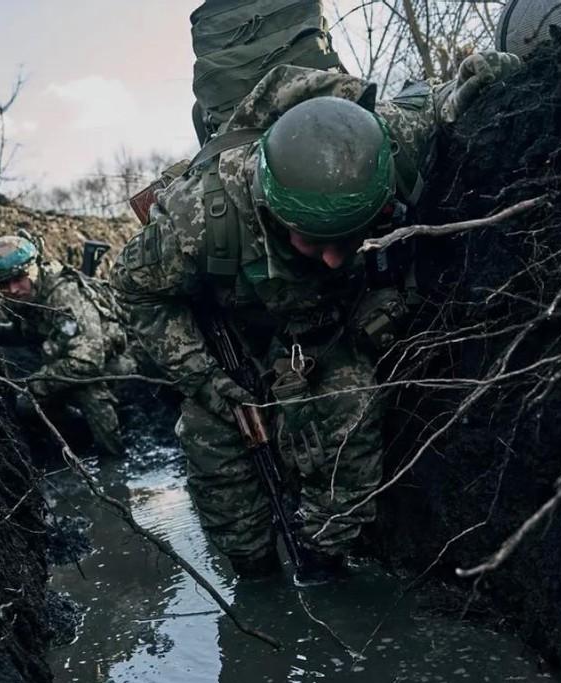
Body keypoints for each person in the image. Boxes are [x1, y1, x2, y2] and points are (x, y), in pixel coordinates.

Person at [113, 52, 521, 581]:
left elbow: (439, 103)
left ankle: (326, 563)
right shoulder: (199, 219)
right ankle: (254, 575)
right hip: (233, 340)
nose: (333, 258)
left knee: (351, 410)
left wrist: (473, 85)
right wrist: (210, 382)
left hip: (325, 333)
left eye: (347, 240)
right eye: (313, 241)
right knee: (213, 447)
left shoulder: (384, 146)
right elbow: (133, 290)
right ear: (272, 209)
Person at [0, 233, 128, 456]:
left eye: (18, 278)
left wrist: (37, 384)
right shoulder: (27, 296)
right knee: (27, 405)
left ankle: (114, 459)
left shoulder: (63, 295)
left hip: (114, 363)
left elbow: (88, 362)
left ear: (33, 268)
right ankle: (79, 439)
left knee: (87, 390)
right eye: (3, 284)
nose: (12, 289)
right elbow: (27, 333)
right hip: (67, 361)